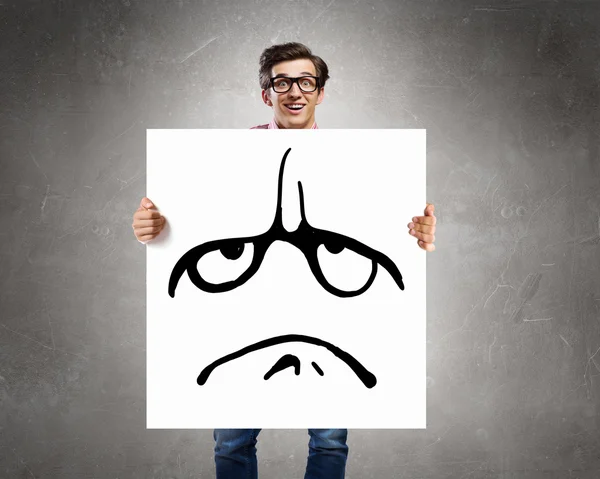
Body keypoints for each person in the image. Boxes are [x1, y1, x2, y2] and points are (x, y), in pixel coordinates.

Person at [133, 42, 437, 479]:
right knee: (232, 442)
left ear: (321, 92)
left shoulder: (360, 166)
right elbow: (184, 227)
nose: (295, 92)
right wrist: (152, 225)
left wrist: (420, 234)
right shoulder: (220, 161)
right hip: (241, 322)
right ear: (266, 94)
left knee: (330, 441)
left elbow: (388, 239)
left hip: (331, 323)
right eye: (282, 82)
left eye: (306, 82)